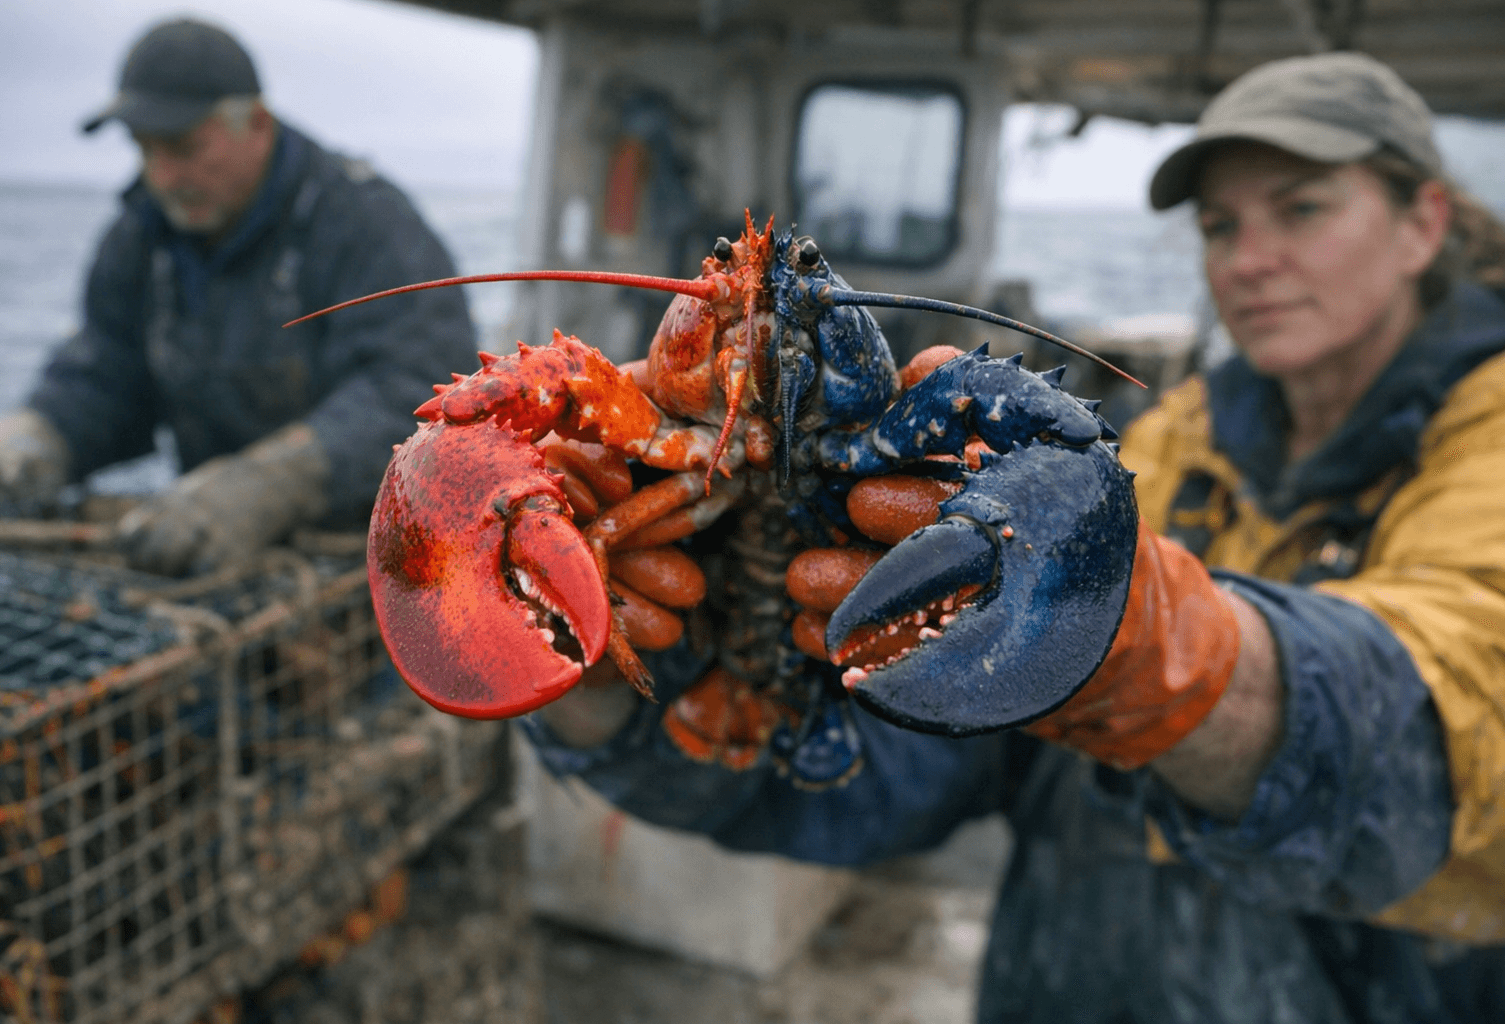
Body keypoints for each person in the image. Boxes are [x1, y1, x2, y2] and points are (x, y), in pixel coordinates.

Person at [520, 52, 1505, 1021]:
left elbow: (1454, 721)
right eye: (1220, 225)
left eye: (1302, 209)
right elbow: (903, 772)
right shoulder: (1173, 442)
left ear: (1422, 223)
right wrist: (605, 708)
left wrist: (1156, 650)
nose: (1250, 258)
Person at [0, 18, 476, 575]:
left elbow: (419, 387)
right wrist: (35, 438)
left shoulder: (365, 222)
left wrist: (277, 480)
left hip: (375, 558)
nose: (162, 176)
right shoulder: (142, 234)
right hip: (217, 548)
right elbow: (110, 371)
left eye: (184, 148)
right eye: (144, 150)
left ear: (256, 123)